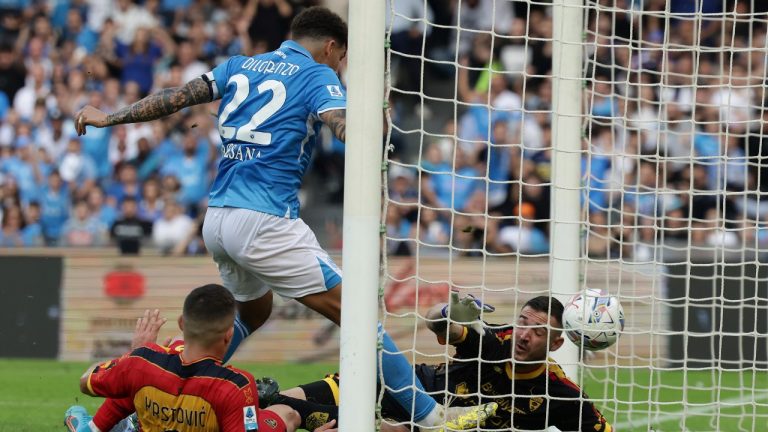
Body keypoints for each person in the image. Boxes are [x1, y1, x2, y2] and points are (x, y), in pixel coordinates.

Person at [73, 7, 488, 428]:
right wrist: (368, 130)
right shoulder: (317, 75)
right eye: (341, 58)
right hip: (265, 221)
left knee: (253, 312)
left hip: (217, 219)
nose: (338, 66)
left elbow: (177, 96)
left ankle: (158, 402)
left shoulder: (240, 65)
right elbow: (339, 123)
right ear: (331, 47)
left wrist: (110, 117)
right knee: (359, 314)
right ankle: (431, 417)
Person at [261, 295, 612, 431]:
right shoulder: (496, 341)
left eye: (538, 331)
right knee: (277, 410)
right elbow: (438, 324)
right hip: (408, 385)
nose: (524, 335)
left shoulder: (561, 394)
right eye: (523, 322)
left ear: (556, 343)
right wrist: (447, 311)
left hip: (427, 426)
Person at [64, 284, 311, 432]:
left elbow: (86, 380)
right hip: (219, 399)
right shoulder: (236, 384)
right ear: (229, 334)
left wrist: (133, 354)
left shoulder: (142, 359)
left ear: (182, 323)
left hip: (153, 388)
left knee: (140, 376)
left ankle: (98, 427)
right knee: (287, 413)